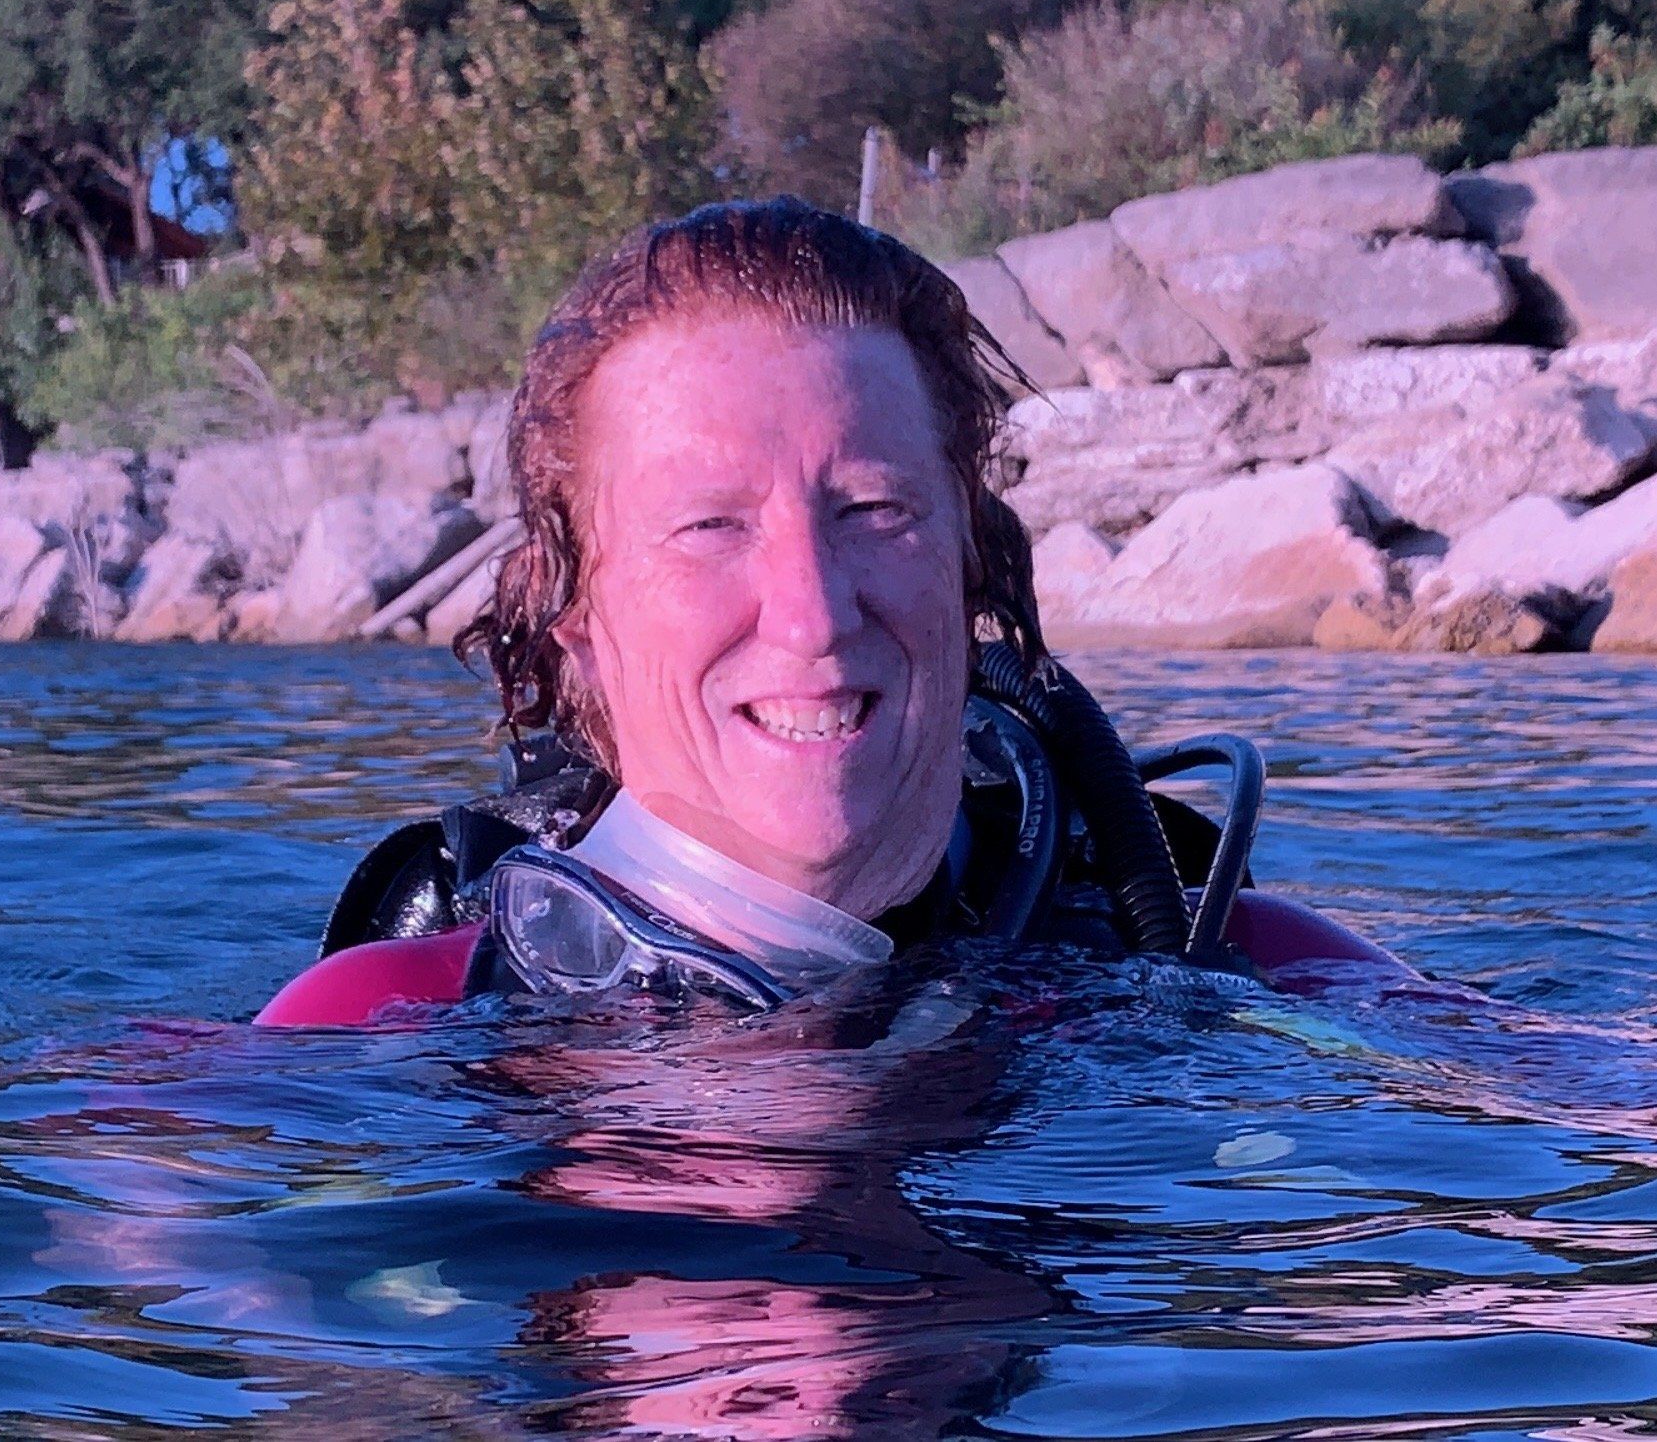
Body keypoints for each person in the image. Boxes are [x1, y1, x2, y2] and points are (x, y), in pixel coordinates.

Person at [259, 199, 1402, 1026]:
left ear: (970, 568)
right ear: (579, 633)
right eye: (708, 524)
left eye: (872, 509)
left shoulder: (1243, 973)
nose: (810, 614)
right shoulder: (378, 1024)